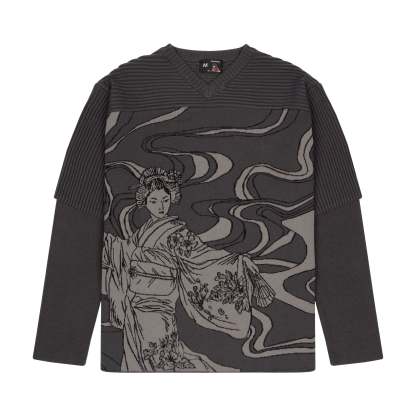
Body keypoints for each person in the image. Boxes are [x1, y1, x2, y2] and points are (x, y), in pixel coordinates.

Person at [102, 167, 275, 372]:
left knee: (159, 353)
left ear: (171, 199)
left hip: (159, 302)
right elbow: (124, 253)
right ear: (145, 202)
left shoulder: (176, 233)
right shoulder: (141, 233)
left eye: (165, 200)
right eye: (154, 201)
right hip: (135, 301)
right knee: (138, 353)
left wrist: (239, 261)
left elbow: (204, 256)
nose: (160, 206)